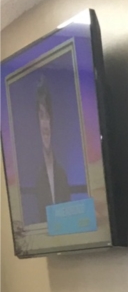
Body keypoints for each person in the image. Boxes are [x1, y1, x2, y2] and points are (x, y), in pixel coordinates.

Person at [33, 78, 70, 223]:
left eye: (48, 117)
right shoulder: (34, 176)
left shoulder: (63, 172)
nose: (45, 125)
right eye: (41, 116)